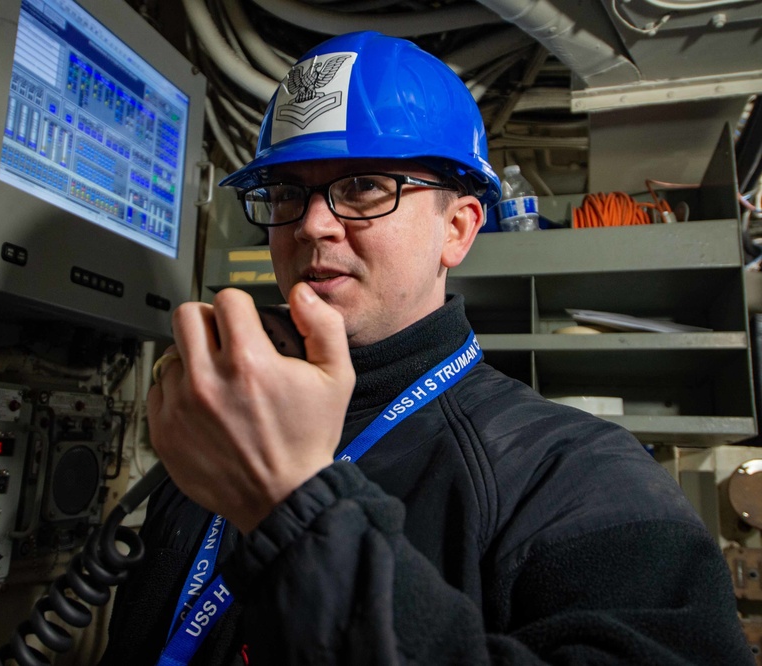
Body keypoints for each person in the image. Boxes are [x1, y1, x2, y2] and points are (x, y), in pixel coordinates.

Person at [101, 31, 752, 665]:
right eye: (287, 192)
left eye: (363, 188)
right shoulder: (226, 426)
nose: (311, 223)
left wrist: (292, 509)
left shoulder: (582, 477)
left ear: (458, 230)